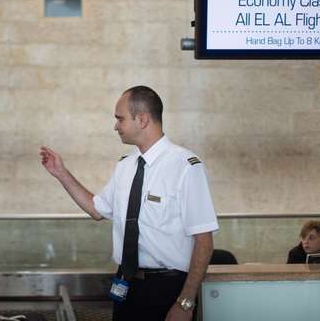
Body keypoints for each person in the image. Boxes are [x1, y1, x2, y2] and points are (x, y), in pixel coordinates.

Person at [40, 86, 219, 321]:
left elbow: (204, 243)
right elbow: (97, 209)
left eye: (120, 118)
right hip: (126, 285)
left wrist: (185, 303)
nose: (116, 126)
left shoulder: (185, 167)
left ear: (142, 119)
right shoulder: (126, 165)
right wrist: (61, 173)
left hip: (167, 289)